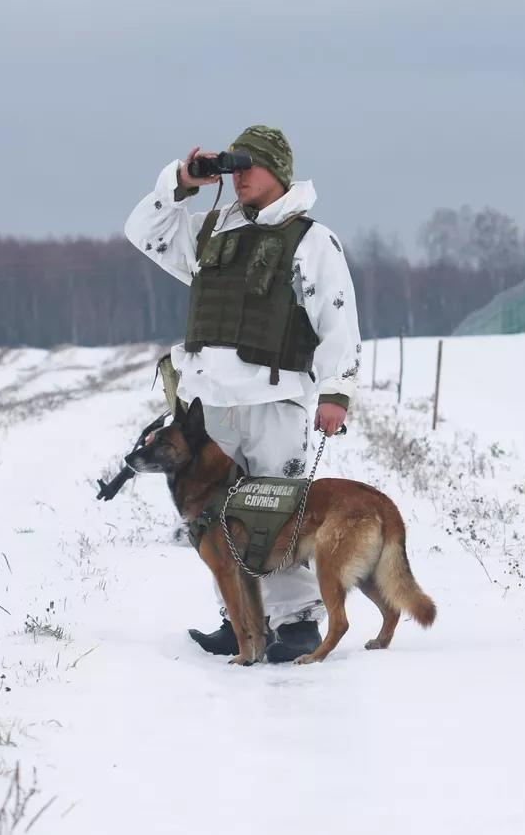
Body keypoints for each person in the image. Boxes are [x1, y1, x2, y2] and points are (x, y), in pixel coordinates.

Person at [123, 125, 363, 662]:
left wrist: (336, 392)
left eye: (249, 166)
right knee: (215, 513)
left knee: (277, 511)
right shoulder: (213, 231)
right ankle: (238, 619)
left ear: (278, 171)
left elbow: (338, 320)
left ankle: (298, 622)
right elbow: (143, 229)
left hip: (276, 400)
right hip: (212, 403)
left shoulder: (310, 239)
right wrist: (182, 182)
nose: (238, 177)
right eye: (233, 167)